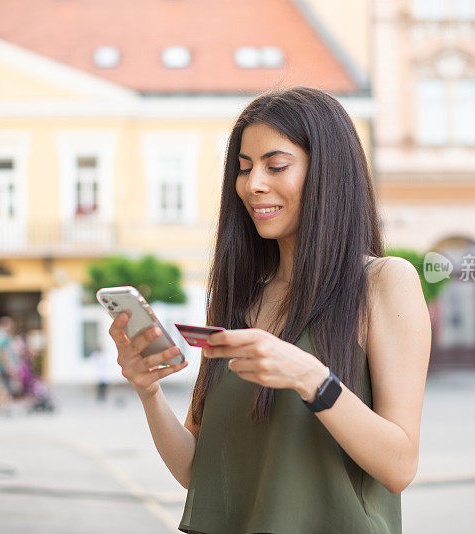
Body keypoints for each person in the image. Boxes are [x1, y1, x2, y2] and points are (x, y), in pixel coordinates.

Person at [107, 86, 431, 533]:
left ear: (328, 172)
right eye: (243, 168)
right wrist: (148, 391)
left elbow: (399, 466)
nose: (252, 184)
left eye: (275, 165)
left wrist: (308, 375)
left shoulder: (383, 282)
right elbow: (196, 471)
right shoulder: (239, 297)